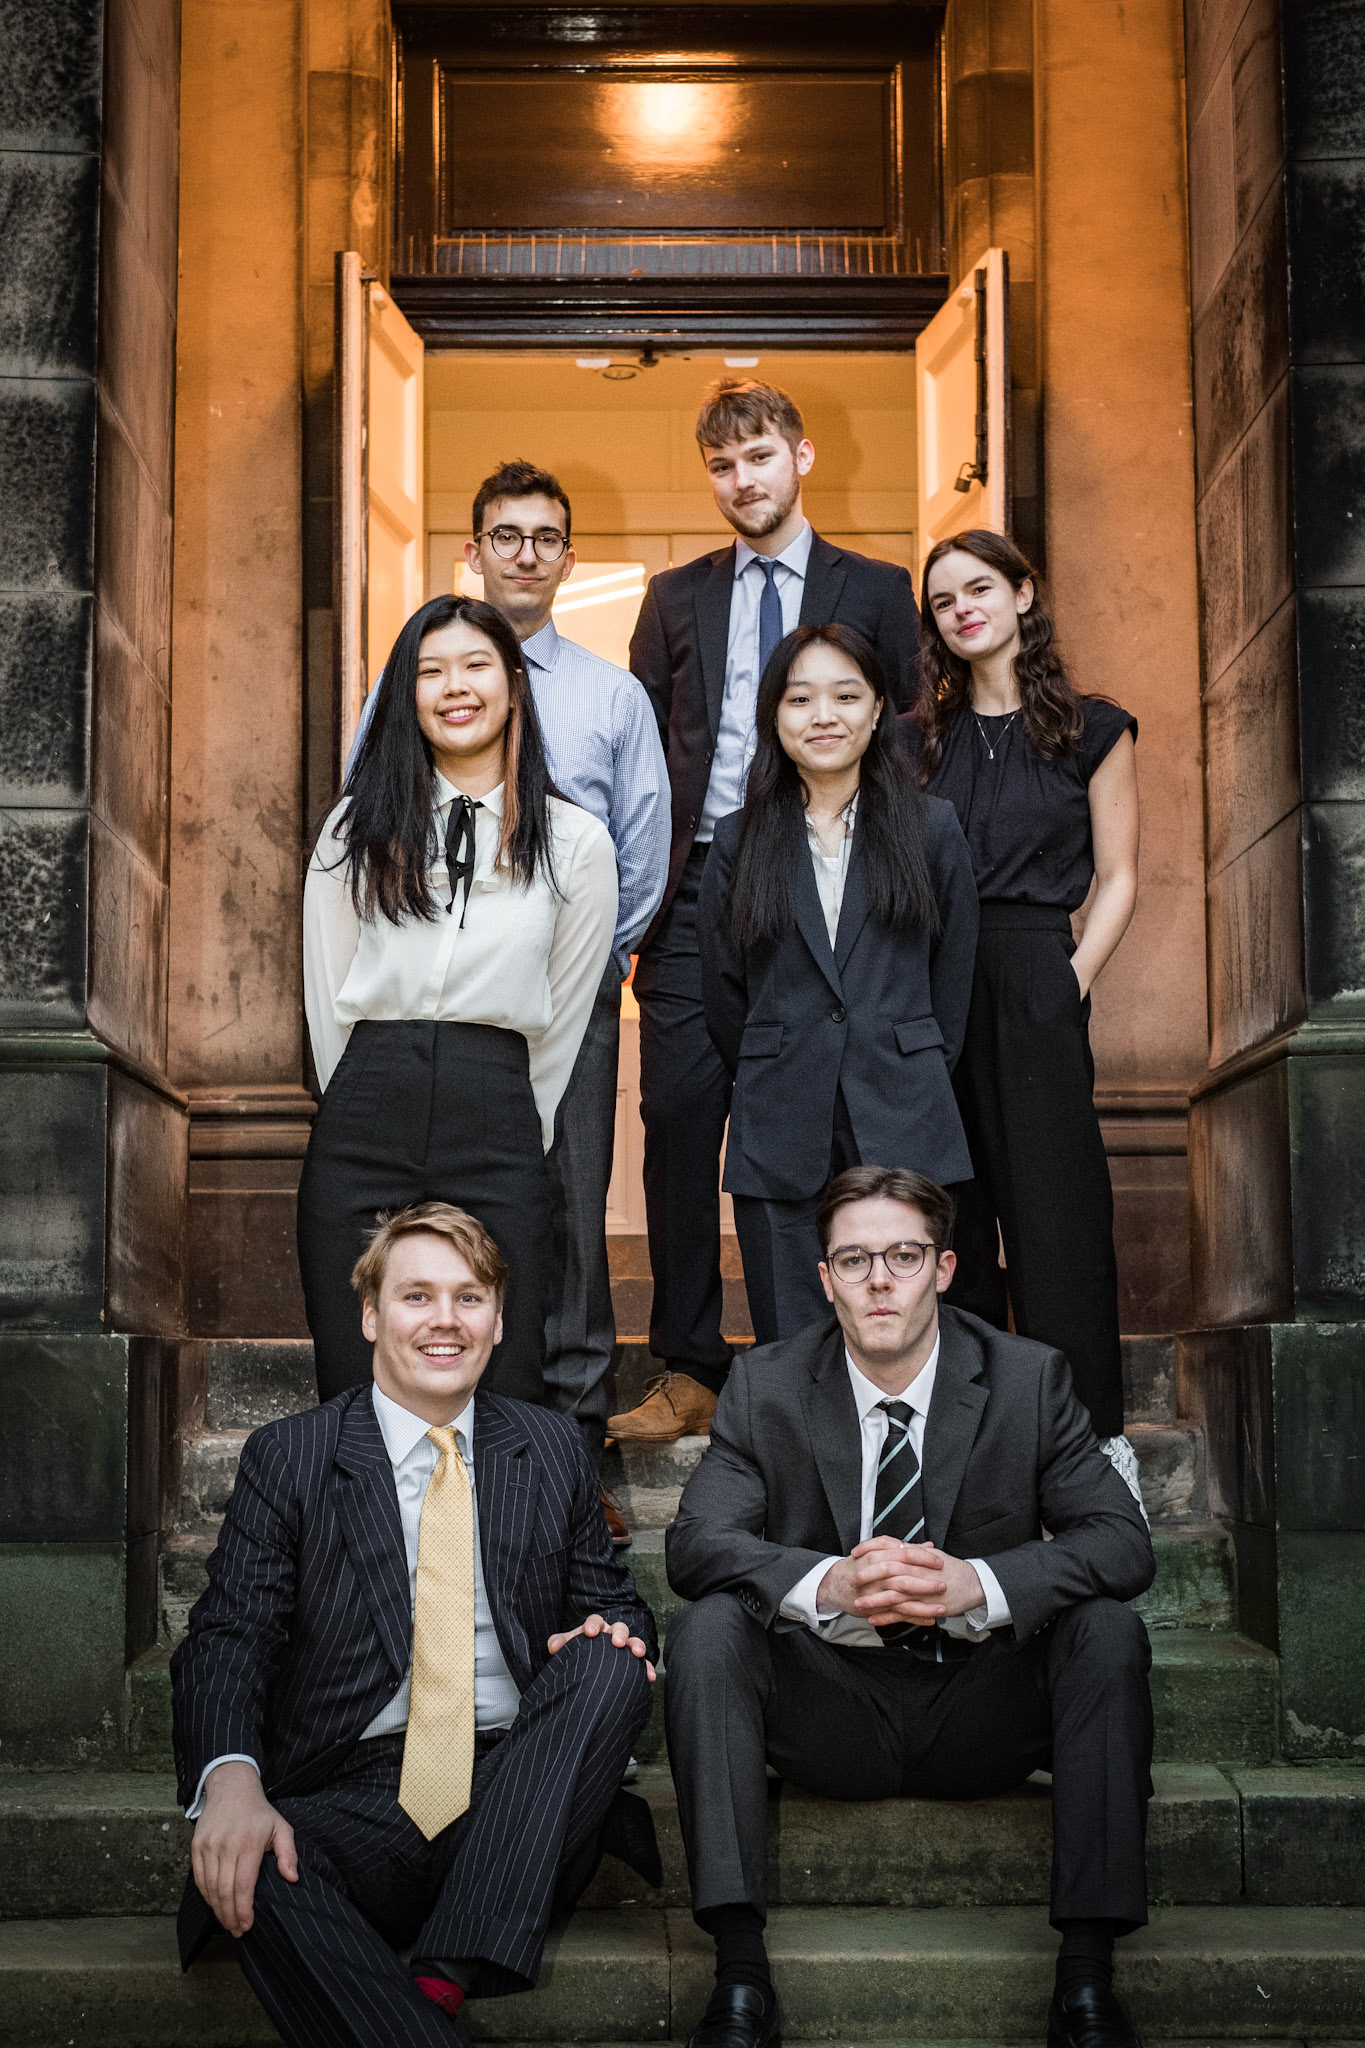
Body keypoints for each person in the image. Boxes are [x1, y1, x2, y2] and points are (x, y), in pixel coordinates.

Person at [664, 1165, 1155, 2048]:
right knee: (707, 1630)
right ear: (825, 1280)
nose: (879, 1281)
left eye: (903, 1255)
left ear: (944, 1268)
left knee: (1105, 1630)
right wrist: (825, 1583)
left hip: (981, 1705)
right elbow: (696, 1544)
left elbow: (1121, 1544)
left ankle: (1085, 1980)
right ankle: (738, 1977)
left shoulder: (1027, 1377)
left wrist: (982, 1584)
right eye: (854, 1260)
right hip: (831, 1708)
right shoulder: (766, 1383)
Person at [172, 1202, 660, 2048]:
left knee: (610, 1660)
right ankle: (435, 2002)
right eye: (416, 1296)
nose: (445, 1320)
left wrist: (599, 1635)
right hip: (357, 1792)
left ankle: (443, 1967)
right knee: (256, 1862)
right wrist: (231, 1783)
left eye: (469, 1298)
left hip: (523, 1791)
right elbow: (229, 1635)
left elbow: (616, 1605)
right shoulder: (292, 1456)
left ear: (497, 1322)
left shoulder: (548, 1448)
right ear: (370, 1316)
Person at [613, 376, 924, 1442]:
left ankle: (845, 1355)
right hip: (701, 884)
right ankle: (690, 1365)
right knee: (677, 1120)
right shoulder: (673, 597)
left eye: (758, 456)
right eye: (721, 464)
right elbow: (642, 757)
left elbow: (906, 741)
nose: (741, 479)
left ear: (801, 456)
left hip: (829, 879)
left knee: (832, 1120)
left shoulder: (876, 588)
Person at [350, 463, 670, 1482]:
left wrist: (586, 960)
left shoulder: (612, 695)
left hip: (570, 986)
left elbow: (643, 851)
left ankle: (571, 1439)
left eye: (545, 537)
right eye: (506, 534)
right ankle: (447, 1421)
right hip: (434, 1001)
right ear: (474, 551)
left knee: (568, 1203)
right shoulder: (408, 681)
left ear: (569, 559)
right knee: (448, 1198)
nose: (525, 553)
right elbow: (366, 817)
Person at [301, 594, 617, 1405]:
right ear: (406, 695)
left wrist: (510, 1114)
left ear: (513, 685)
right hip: (367, 1101)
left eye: (475, 665)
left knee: (504, 1375)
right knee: (353, 1367)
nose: (454, 687)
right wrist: (364, 1096)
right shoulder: (353, 829)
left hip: (498, 1108)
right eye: (430, 671)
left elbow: (564, 1014)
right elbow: (327, 995)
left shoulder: (576, 843)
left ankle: (490, 1498)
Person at [912, 530, 1140, 1469]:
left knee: (1057, 1215)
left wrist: (1069, 981)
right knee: (952, 1218)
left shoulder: (1093, 728)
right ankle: (977, 1450)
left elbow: (1119, 877)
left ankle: (1094, 1447)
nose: (961, 609)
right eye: (942, 601)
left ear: (1021, 593)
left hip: (1038, 969)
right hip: (933, 983)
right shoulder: (915, 742)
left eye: (977, 589)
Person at [697, 623, 978, 1344]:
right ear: (773, 715)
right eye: (799, 699)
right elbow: (725, 992)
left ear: (879, 708)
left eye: (845, 696)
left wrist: (905, 1059)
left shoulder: (931, 829)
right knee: (791, 1339)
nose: (823, 716)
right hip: (779, 1113)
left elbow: (953, 982)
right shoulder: (737, 839)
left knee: (901, 1332)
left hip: (903, 1109)